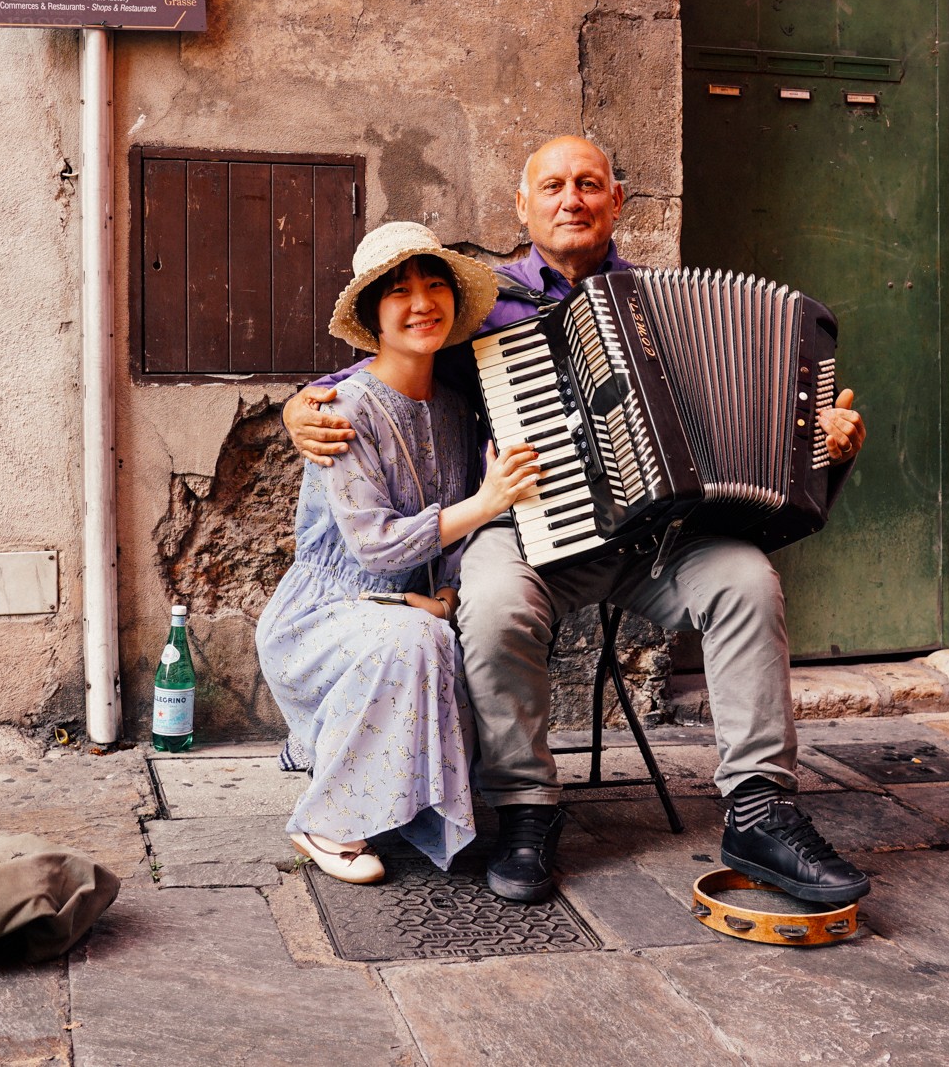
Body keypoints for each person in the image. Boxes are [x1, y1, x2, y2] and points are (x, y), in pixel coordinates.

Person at [282, 136, 871, 906]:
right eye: (552, 185)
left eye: (588, 184)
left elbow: (771, 434)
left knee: (746, 580)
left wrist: (822, 444)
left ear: (615, 203)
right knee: (491, 603)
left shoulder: (662, 304)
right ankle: (526, 809)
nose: (572, 199)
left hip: (663, 541)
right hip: (528, 533)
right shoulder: (480, 304)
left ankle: (760, 809)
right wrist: (301, 403)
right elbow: (387, 358)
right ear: (522, 206)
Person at [256, 222, 543, 883]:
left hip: (405, 607)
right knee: (419, 639)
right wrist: (489, 500)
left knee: (451, 633)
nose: (421, 303)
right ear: (372, 316)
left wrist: (444, 596)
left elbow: (451, 550)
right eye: (399, 292)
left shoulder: (452, 409)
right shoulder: (345, 409)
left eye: (434, 285)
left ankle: (383, 787)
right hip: (323, 615)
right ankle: (327, 822)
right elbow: (376, 547)